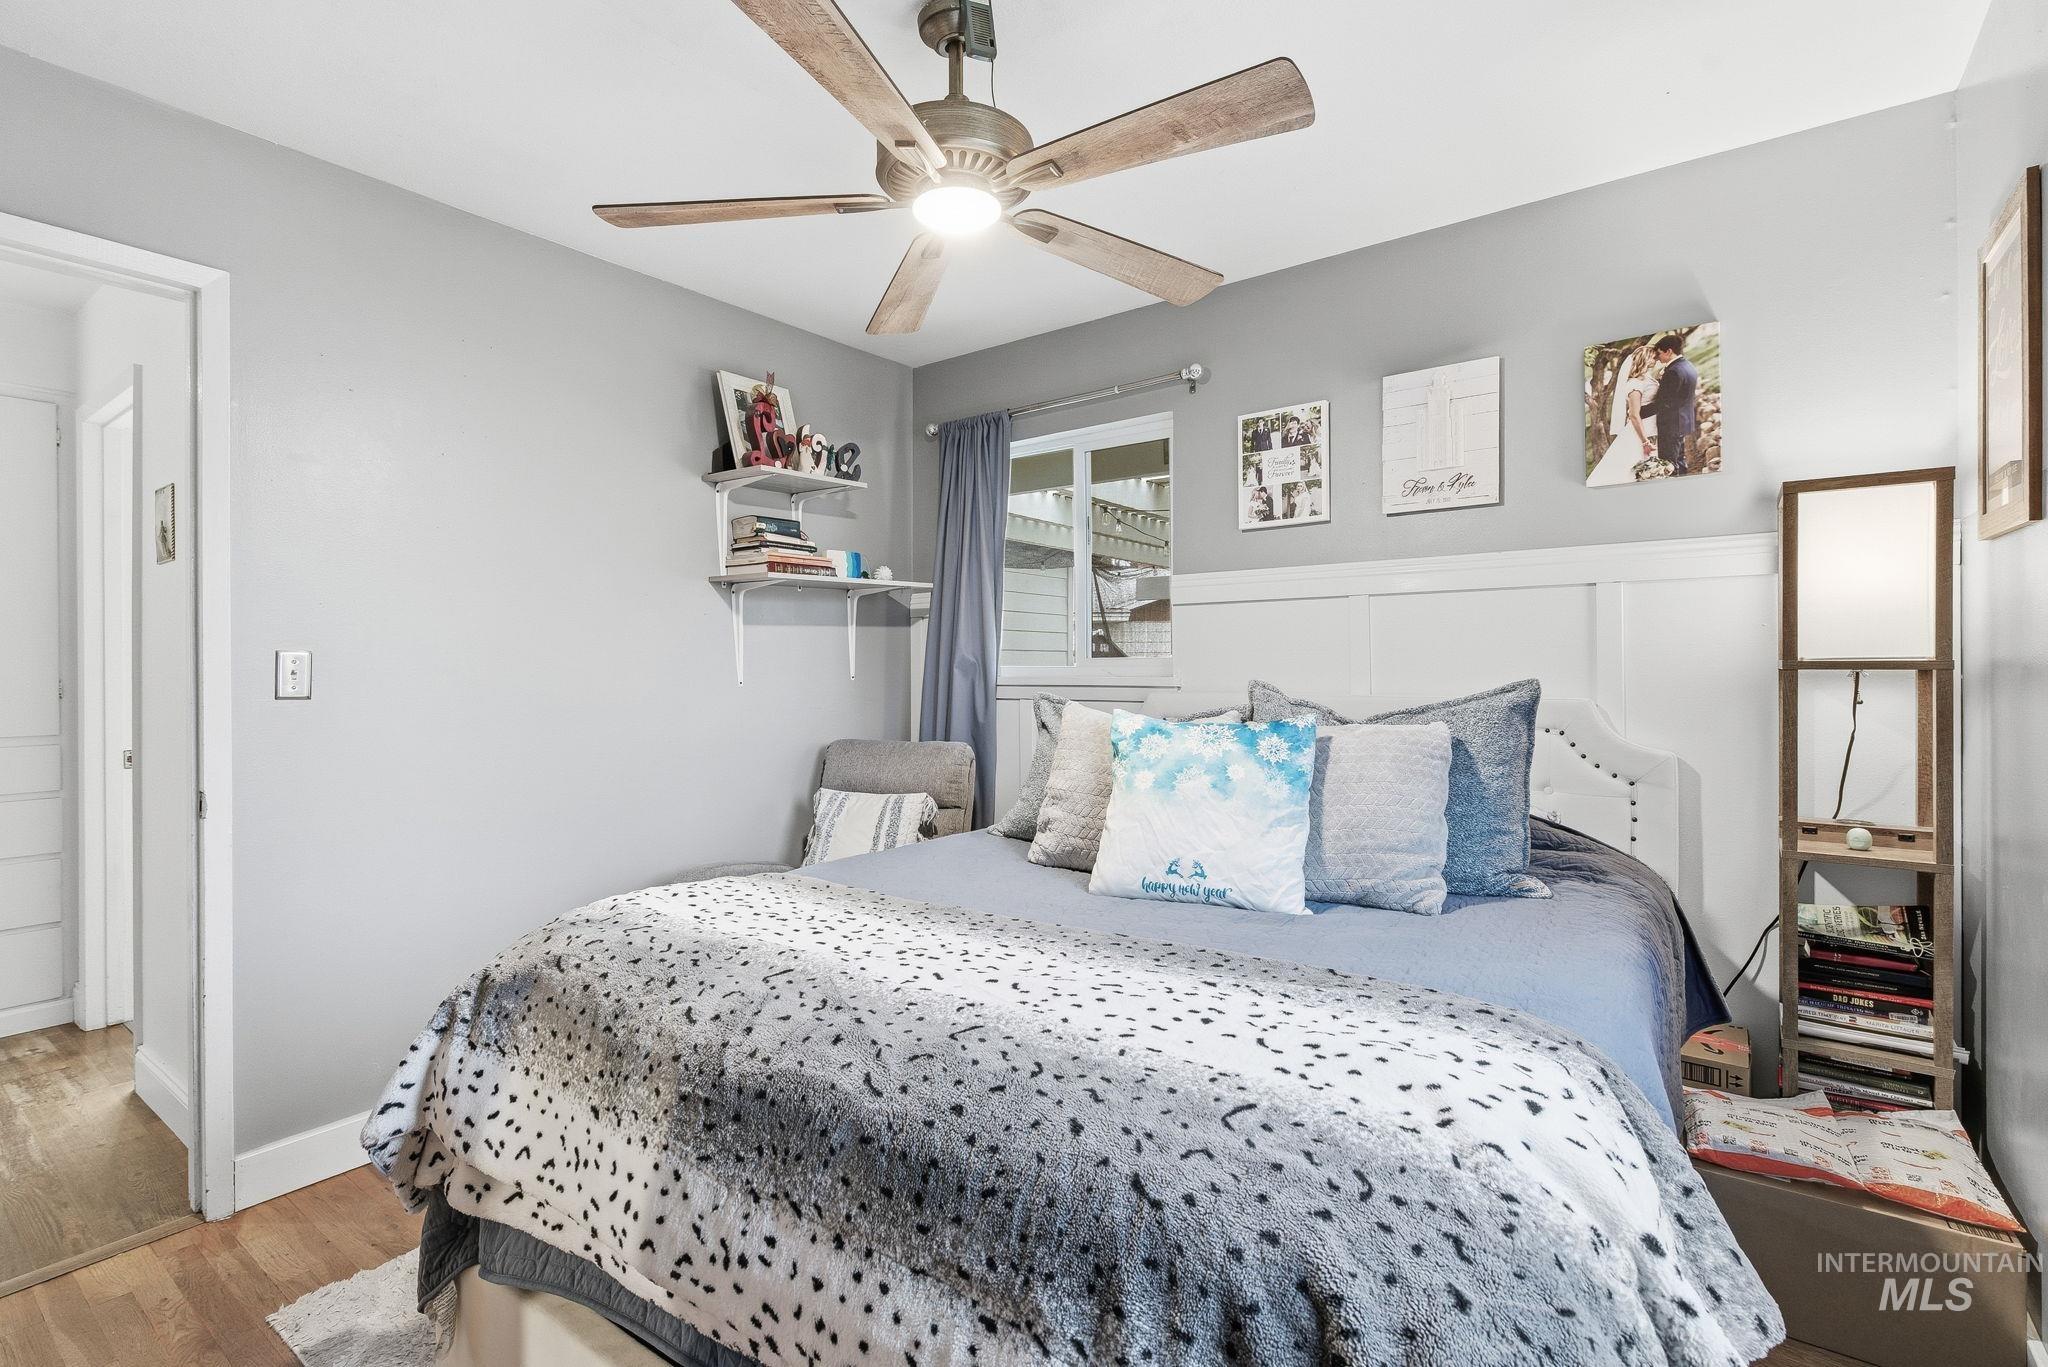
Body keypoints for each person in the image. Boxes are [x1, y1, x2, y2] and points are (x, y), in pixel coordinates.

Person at [1587, 344, 1661, 486]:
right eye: (1653, 357)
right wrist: (1645, 441)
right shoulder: (1634, 384)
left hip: (1651, 427)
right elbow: (1634, 415)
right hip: (1639, 433)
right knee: (1632, 469)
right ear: (1645, 358)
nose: (1656, 359)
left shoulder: (1646, 378)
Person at [1643, 335, 1699, 475]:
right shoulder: (1688, 365)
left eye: (1659, 353)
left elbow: (1664, 402)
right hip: (1683, 421)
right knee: (1679, 459)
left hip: (1671, 425)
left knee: (1668, 465)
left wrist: (1638, 413)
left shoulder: (1673, 371)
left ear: (1668, 351)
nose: (1657, 357)